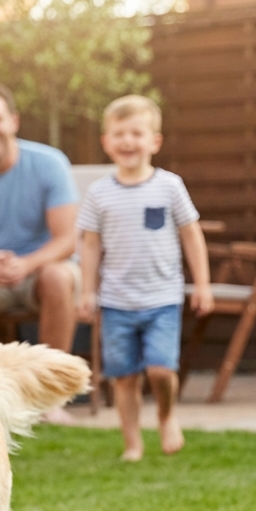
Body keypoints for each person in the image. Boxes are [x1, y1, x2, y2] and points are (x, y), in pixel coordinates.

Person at [76, 95, 214, 461]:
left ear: (155, 141)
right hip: (117, 301)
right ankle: (133, 443)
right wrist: (87, 292)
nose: (127, 141)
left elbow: (191, 236)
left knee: (160, 369)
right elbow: (90, 246)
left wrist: (202, 284)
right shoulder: (99, 193)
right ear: (106, 142)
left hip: (162, 299)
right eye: (119, 134)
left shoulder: (170, 187)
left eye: (137, 133)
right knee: (124, 378)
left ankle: (167, 415)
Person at [0, 82, 80, 423]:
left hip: (40, 271)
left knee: (59, 275)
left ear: (13, 120)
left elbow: (67, 240)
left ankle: (50, 399)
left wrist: (25, 264)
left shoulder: (50, 163)